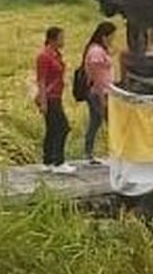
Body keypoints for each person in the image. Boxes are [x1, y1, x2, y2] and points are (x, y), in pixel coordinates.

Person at [35, 26, 75, 174]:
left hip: (57, 95)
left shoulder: (56, 55)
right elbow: (41, 80)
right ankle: (59, 161)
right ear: (53, 39)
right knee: (62, 127)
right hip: (50, 97)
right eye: (61, 38)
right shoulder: (44, 56)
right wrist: (43, 101)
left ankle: (48, 160)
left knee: (52, 128)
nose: (63, 41)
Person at [81, 21, 116, 164]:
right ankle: (115, 152)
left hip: (102, 91)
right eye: (112, 36)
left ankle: (88, 152)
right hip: (99, 92)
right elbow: (97, 76)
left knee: (95, 122)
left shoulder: (100, 50)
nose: (113, 39)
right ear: (104, 36)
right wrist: (102, 96)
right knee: (111, 122)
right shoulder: (96, 52)